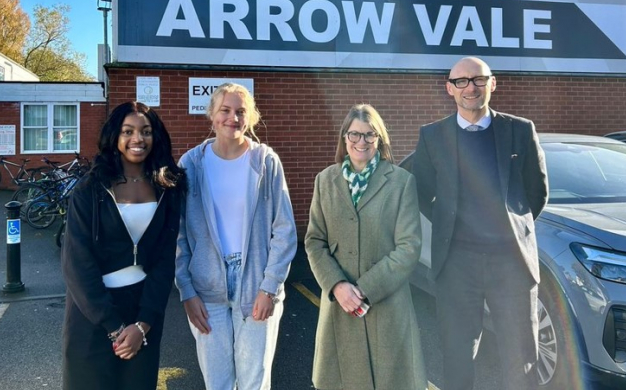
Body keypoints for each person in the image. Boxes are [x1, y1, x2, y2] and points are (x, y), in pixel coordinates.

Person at [413, 57, 549, 390]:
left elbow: (537, 192)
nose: (470, 87)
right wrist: (451, 226)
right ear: (449, 89)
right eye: (461, 81)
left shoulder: (520, 130)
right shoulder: (432, 136)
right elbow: (421, 193)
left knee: (521, 355)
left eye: (478, 79)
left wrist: (512, 228)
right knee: (457, 354)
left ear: (493, 83)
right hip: (457, 264)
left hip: (512, 262)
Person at [176, 82, 297, 390]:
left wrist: (269, 288)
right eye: (225, 110)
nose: (233, 118)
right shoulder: (191, 165)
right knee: (217, 382)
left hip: (256, 283)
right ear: (212, 116)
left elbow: (284, 230)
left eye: (241, 112)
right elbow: (177, 236)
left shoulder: (266, 162)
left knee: (254, 382)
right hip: (207, 291)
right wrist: (186, 291)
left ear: (250, 118)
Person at [61, 101, 186, 390]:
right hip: (92, 313)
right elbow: (77, 264)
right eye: (127, 131)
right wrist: (115, 328)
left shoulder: (167, 188)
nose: (137, 139)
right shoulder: (90, 189)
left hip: (143, 310)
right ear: (115, 137)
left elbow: (165, 260)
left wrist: (143, 323)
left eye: (146, 131)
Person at [305, 104, 426, 390]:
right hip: (339, 306)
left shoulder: (400, 182)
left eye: (370, 135)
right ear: (344, 137)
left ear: (380, 139)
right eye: (355, 134)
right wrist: (337, 286)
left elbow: (409, 246)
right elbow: (314, 241)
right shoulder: (325, 181)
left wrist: (365, 290)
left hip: (386, 306)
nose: (361, 142)